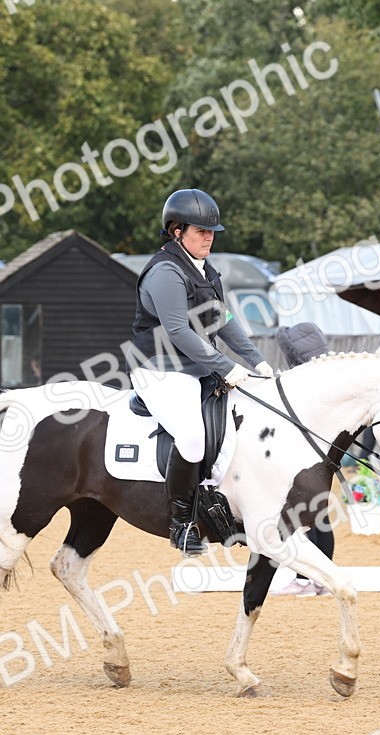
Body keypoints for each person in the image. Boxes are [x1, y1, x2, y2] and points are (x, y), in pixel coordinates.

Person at [129, 189, 272, 556]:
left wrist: (257, 362)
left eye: (212, 232)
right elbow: (179, 331)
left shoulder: (205, 271)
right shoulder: (166, 273)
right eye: (200, 231)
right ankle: (181, 523)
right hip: (159, 371)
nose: (208, 237)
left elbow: (222, 320)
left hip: (196, 369)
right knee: (192, 437)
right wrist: (227, 367)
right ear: (176, 231)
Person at [271, 323, 335, 597]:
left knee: (300, 520)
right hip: (327, 456)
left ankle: (303, 578)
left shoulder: (302, 380)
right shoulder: (328, 374)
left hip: (304, 459)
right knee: (320, 518)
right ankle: (321, 579)